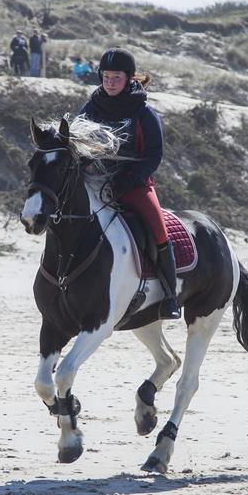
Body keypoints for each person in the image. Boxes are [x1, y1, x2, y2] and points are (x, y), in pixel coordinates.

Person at [78, 48, 180, 319]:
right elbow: (75, 141)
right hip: (94, 179)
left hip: (133, 184)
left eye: (116, 77)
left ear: (130, 78)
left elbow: (154, 154)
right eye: (106, 76)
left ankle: (170, 296)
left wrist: (128, 180)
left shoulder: (144, 113)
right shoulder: (91, 106)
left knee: (159, 230)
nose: (110, 82)